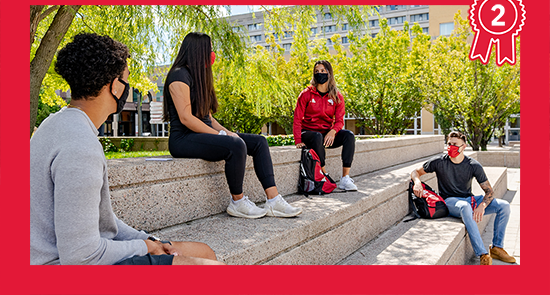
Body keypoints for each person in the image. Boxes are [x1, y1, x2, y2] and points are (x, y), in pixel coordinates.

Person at [30, 33, 224, 265]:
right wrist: (144, 247)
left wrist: (149, 241)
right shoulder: (79, 147)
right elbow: (80, 258)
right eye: (126, 80)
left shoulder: (56, 124)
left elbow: (104, 221)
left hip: (75, 254)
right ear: (115, 87)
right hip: (59, 265)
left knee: (203, 252)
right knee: (210, 267)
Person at [163, 32, 302, 219]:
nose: (212, 54)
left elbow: (208, 119)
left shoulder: (199, 76)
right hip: (183, 139)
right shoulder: (178, 75)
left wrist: (227, 132)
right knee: (235, 146)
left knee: (259, 141)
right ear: (198, 51)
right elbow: (186, 118)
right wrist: (221, 137)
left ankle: (274, 200)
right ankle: (237, 202)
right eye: (209, 50)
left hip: (203, 134)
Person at [410, 131, 515, 265]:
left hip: (469, 200)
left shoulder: (473, 165)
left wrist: (482, 206)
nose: (451, 147)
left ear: (464, 146)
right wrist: (417, 182)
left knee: (504, 206)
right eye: (449, 143)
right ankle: (482, 254)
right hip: (450, 202)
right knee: (465, 207)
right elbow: (415, 172)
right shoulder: (439, 162)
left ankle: (497, 248)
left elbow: (489, 191)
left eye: (455, 144)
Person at [293, 60, 357, 191]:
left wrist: (333, 131)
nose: (319, 73)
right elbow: (297, 119)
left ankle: (345, 178)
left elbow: (339, 121)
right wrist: (298, 140)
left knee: (349, 136)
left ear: (329, 73)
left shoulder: (337, 96)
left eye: (322, 71)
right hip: (309, 133)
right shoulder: (306, 94)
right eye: (317, 71)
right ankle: (323, 173)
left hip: (326, 134)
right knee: (317, 137)